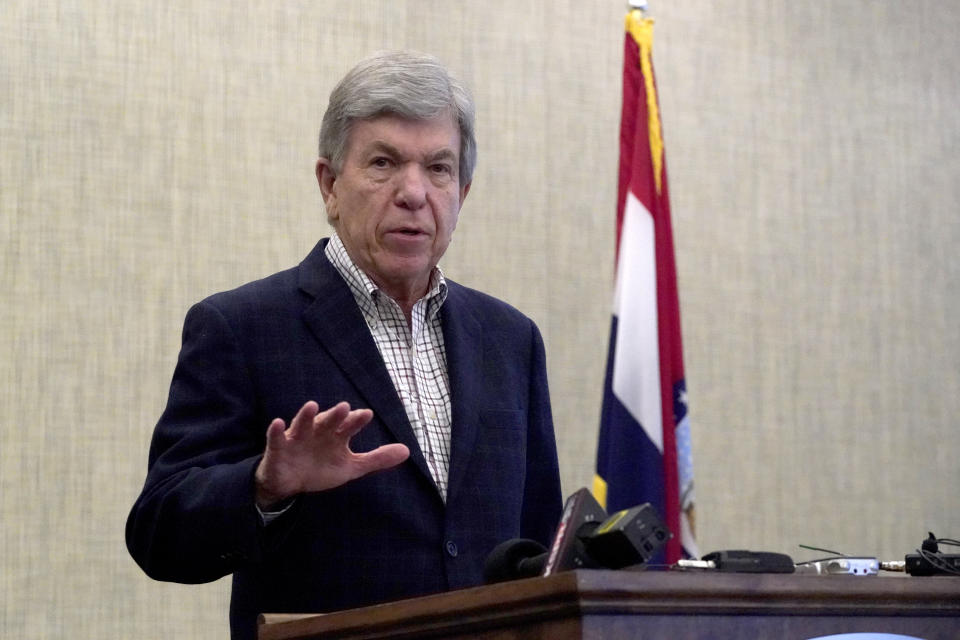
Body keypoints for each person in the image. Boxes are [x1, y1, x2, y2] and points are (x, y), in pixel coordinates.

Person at [125, 50, 562, 640]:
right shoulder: (242, 327)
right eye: (384, 163)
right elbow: (159, 534)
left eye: (438, 168)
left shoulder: (511, 339)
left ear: (463, 191)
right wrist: (264, 485)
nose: (414, 192)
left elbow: (536, 550)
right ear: (330, 185)